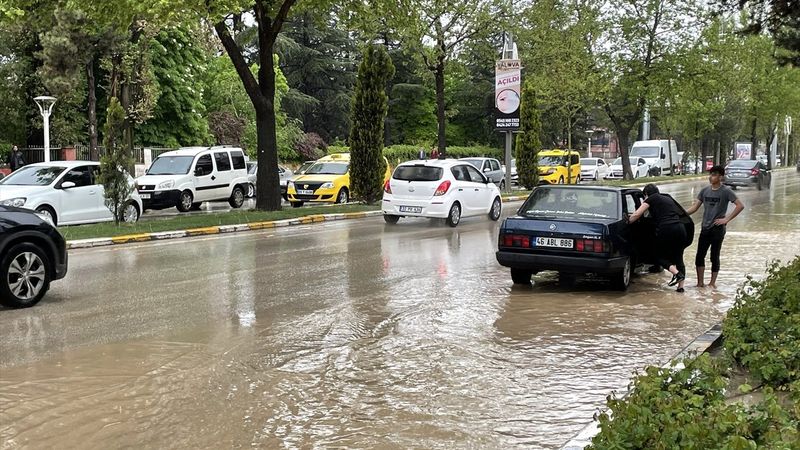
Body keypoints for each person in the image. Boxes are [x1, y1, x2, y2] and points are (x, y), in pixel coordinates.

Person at [685, 165, 745, 288]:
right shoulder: (705, 191)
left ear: (720, 177)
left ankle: (712, 283)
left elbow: (740, 205)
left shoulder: (726, 191)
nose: (711, 177)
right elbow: (695, 207)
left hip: (717, 228)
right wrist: (681, 214)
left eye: (714, 175)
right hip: (705, 227)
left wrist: (727, 219)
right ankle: (700, 283)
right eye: (710, 174)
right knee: (700, 255)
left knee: (714, 256)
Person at [627, 184, 688, 292]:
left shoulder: (651, 198)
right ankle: (680, 287)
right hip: (680, 228)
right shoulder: (667, 198)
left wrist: (627, 221)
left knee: (657, 256)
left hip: (667, 229)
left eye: (644, 196)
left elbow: (637, 214)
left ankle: (677, 273)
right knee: (679, 257)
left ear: (646, 194)